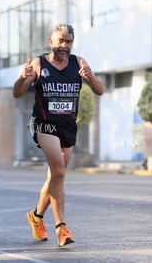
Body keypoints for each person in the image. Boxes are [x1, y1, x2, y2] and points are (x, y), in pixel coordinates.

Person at [13, 24, 104, 247]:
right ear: (51, 41)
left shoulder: (78, 63)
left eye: (69, 41)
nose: (65, 45)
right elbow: (18, 93)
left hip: (67, 126)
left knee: (54, 177)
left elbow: (100, 90)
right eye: (61, 41)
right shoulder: (38, 63)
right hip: (45, 125)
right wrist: (21, 78)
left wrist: (90, 78)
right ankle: (61, 227)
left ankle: (36, 216)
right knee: (60, 172)